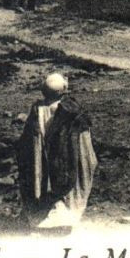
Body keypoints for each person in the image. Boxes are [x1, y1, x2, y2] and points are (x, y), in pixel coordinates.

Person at [16, 72, 98, 230]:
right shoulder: (72, 111)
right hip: (66, 157)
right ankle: (64, 219)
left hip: (43, 158)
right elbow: (83, 140)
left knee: (45, 182)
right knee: (65, 183)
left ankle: (41, 219)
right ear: (64, 90)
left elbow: (27, 141)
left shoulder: (37, 110)